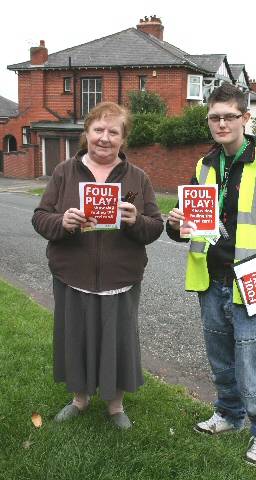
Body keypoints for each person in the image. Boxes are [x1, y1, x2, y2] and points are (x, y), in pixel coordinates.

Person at [166, 83, 256, 465]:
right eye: (215, 117)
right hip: (212, 281)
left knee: (252, 366)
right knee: (221, 361)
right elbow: (188, 226)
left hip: (255, 286)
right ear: (208, 120)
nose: (222, 123)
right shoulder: (205, 165)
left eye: (230, 116)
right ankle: (228, 414)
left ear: (246, 118)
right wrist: (174, 223)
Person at [32, 101, 163, 429]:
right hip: (72, 275)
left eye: (113, 132)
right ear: (86, 133)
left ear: (123, 138)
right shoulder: (64, 172)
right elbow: (39, 217)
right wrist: (62, 220)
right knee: (76, 338)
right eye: (98, 130)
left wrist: (135, 221)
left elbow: (155, 227)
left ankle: (115, 406)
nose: (104, 138)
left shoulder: (138, 178)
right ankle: (79, 399)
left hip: (121, 277)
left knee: (117, 340)